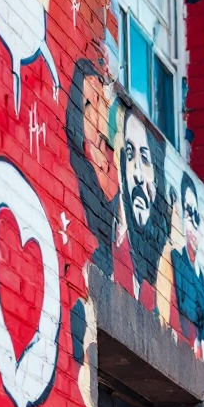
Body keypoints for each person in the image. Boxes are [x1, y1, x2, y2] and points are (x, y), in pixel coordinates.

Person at [66, 58, 121, 277]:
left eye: (98, 100)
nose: (95, 113)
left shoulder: (116, 161)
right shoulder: (77, 163)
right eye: (87, 104)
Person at [121, 109, 170, 289]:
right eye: (129, 155)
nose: (139, 175)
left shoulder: (168, 268)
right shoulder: (117, 252)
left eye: (144, 158)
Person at [170, 172, 204, 349]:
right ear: (182, 219)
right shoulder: (177, 261)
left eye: (196, 217)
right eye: (189, 215)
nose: (193, 225)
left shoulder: (203, 280)